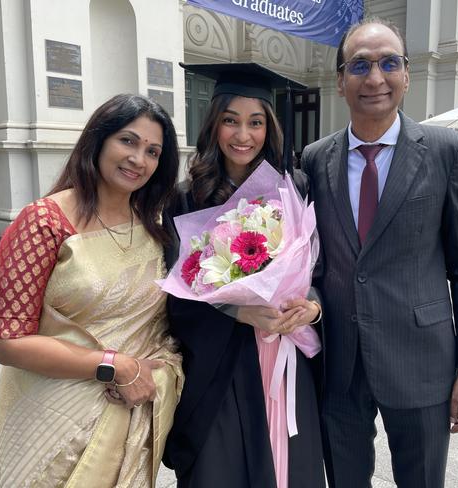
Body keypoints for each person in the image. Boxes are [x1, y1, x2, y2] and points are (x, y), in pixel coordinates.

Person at [300, 18, 458, 488]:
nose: (375, 78)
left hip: (421, 362)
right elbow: (311, 261)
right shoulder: (313, 158)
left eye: (389, 63)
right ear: (341, 81)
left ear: (406, 75)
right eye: (360, 65)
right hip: (338, 365)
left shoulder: (449, 152)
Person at [0, 94, 183, 488]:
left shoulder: (153, 228)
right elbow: (6, 341)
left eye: (152, 151)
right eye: (127, 141)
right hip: (52, 421)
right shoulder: (44, 222)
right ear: (98, 140)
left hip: (129, 416)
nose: (138, 159)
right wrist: (115, 365)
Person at [163, 63, 326, 488]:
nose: (243, 135)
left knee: (287, 466)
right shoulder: (187, 197)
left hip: (285, 354)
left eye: (255, 123)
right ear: (214, 125)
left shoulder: (295, 186)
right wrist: (238, 312)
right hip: (221, 362)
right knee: (221, 470)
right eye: (230, 121)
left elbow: (319, 271)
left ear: (269, 128)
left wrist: (311, 306)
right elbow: (174, 294)